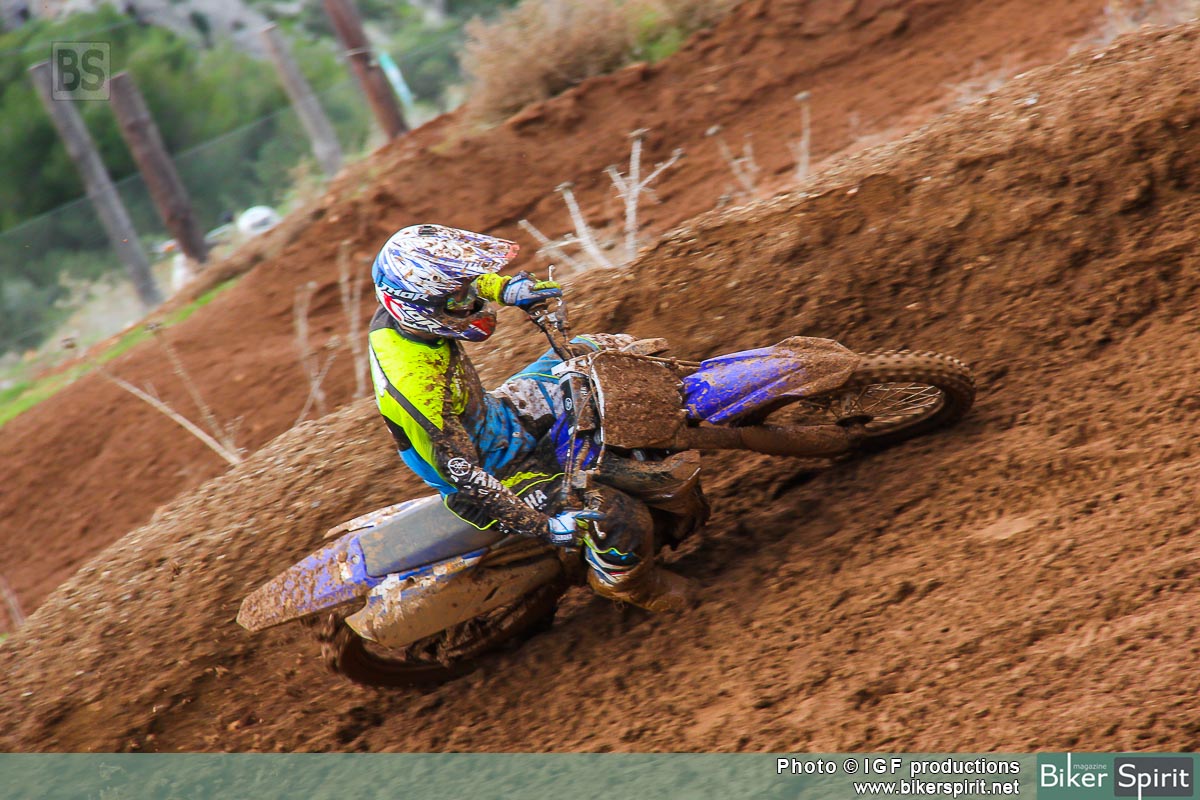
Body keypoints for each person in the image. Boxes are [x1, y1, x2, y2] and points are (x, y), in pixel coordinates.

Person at [367, 223, 695, 612]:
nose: (471, 300)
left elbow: (457, 284)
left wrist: (504, 289)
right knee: (618, 518)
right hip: (492, 470)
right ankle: (626, 583)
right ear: (424, 307)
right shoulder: (415, 386)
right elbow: (466, 477)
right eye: (459, 298)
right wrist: (547, 527)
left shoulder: (403, 311)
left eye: (468, 290)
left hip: (496, 417)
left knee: (597, 350)